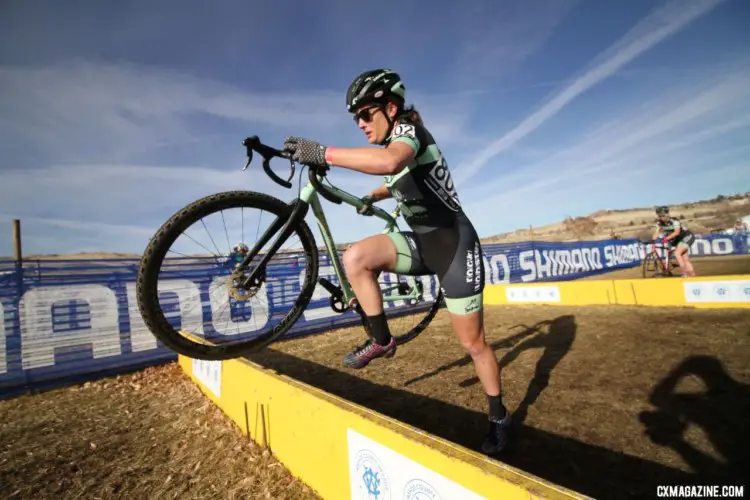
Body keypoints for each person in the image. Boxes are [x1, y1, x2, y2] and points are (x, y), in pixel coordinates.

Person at [282, 69, 510, 455]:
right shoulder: (397, 143)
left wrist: (324, 153)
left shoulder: (409, 135)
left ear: (391, 107)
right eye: (355, 117)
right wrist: (377, 195)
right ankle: (382, 340)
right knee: (356, 256)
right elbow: (398, 177)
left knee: (473, 344)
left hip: (455, 248)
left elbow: (391, 162)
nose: (360, 123)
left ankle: (499, 417)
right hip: (422, 244)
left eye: (366, 113)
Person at [652, 206, 696, 277]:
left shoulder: (674, 221)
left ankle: (684, 273)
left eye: (662, 216)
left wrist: (666, 238)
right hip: (678, 240)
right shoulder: (659, 223)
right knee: (685, 259)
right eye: (659, 216)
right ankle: (693, 277)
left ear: (667, 215)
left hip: (687, 236)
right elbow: (656, 233)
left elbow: (677, 232)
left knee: (677, 253)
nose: (660, 217)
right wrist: (652, 241)